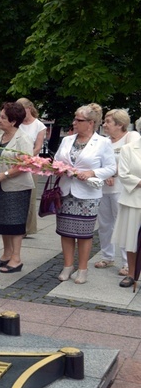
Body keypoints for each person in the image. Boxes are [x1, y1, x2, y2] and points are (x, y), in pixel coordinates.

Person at [54, 103, 115, 284]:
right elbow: (57, 160)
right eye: (75, 119)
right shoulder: (67, 140)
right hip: (66, 190)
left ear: (91, 123)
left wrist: (92, 173)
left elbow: (111, 168)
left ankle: (82, 269)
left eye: (78, 120)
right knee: (65, 232)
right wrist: (59, 168)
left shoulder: (103, 142)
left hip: (87, 194)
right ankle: (67, 266)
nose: (74, 122)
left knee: (84, 233)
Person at [0, 103, 35, 273]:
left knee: (15, 223)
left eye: (2, 118)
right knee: (3, 222)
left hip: (17, 187)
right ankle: (6, 254)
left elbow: (25, 164)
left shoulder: (23, 139)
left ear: (13, 121)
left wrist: (4, 175)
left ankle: (16, 258)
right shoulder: (0, 135)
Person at [96, 109, 140, 275]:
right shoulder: (104, 141)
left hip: (124, 189)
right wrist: (105, 172)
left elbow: (132, 162)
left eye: (108, 122)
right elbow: (98, 162)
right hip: (104, 188)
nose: (104, 125)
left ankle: (127, 263)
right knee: (105, 224)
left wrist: (113, 172)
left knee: (123, 225)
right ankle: (107, 256)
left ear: (120, 124)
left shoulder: (131, 138)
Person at [113, 137, 141, 289]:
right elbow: (123, 174)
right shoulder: (128, 148)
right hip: (133, 200)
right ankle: (131, 273)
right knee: (132, 239)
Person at [16, 97, 47, 236]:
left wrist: (27, 158)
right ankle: (16, 224)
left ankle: (27, 227)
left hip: (31, 164)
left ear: (28, 108)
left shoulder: (39, 126)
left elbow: (38, 147)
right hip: (16, 162)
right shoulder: (17, 124)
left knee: (30, 196)